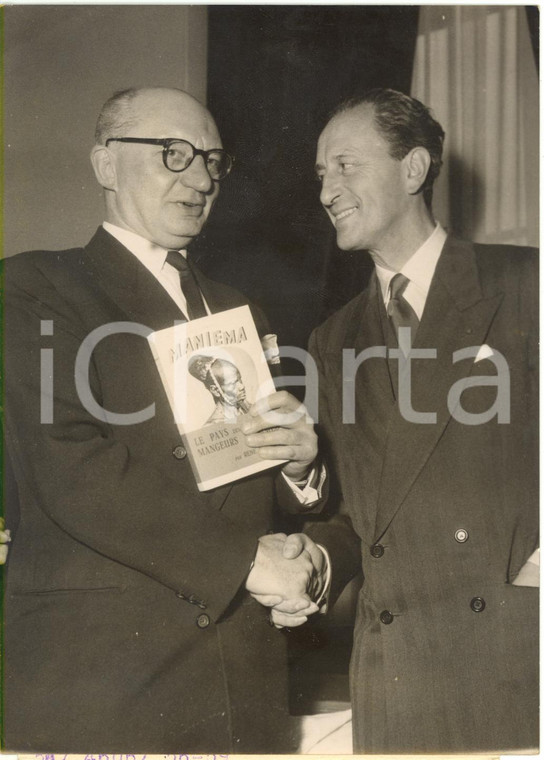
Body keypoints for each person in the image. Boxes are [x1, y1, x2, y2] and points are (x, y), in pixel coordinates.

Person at [2, 87, 326, 753]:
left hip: (240, 683)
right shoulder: (37, 286)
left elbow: (245, 486)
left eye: (211, 159)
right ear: (104, 166)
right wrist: (245, 562)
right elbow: (70, 466)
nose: (202, 178)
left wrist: (299, 467)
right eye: (173, 154)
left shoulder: (237, 308)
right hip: (108, 682)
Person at [266, 89, 538, 753]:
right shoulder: (334, 339)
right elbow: (361, 518)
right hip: (394, 676)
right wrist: (311, 555)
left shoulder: (524, 285)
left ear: (413, 170)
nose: (328, 189)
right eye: (321, 174)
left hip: (517, 660)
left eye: (346, 166)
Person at [188, 354, 250, 423]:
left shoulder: (250, 408)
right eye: (232, 384)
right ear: (215, 391)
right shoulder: (212, 427)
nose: (242, 386)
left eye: (239, 379)